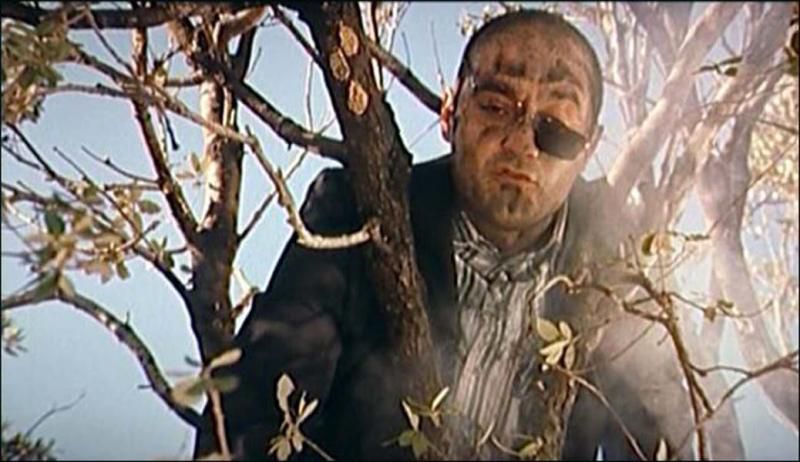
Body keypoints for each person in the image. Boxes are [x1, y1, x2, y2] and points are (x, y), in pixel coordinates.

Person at [194, 9, 692, 461]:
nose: (522, 144)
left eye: (556, 125)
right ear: (451, 114)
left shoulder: (613, 257)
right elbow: (253, 419)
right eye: (496, 106)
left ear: (588, 149)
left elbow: (661, 443)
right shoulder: (356, 211)